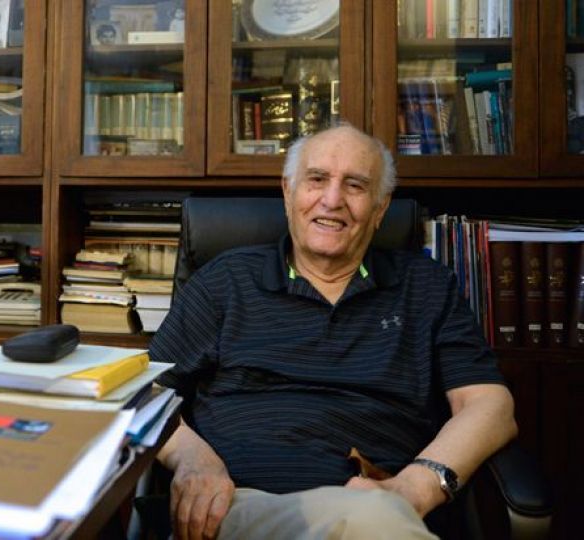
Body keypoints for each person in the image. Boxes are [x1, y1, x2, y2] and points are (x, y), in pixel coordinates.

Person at [150, 124, 517, 539]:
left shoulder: (426, 287)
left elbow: (490, 405)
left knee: (372, 520)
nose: (332, 199)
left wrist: (412, 489)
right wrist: (193, 459)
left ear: (380, 208)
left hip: (376, 511)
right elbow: (145, 392)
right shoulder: (226, 281)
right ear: (288, 192)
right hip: (238, 506)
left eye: (355, 185)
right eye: (317, 179)